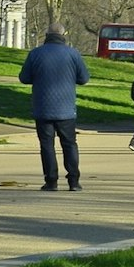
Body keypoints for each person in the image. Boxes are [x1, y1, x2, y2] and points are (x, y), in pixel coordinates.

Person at [18, 21, 90, 192]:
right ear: (63, 36)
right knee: (70, 144)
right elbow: (84, 79)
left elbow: (24, 78)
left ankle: (51, 181)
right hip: (66, 108)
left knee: (47, 145)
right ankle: (74, 181)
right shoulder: (73, 54)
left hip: (43, 107)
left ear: (47, 36)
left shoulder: (35, 54)